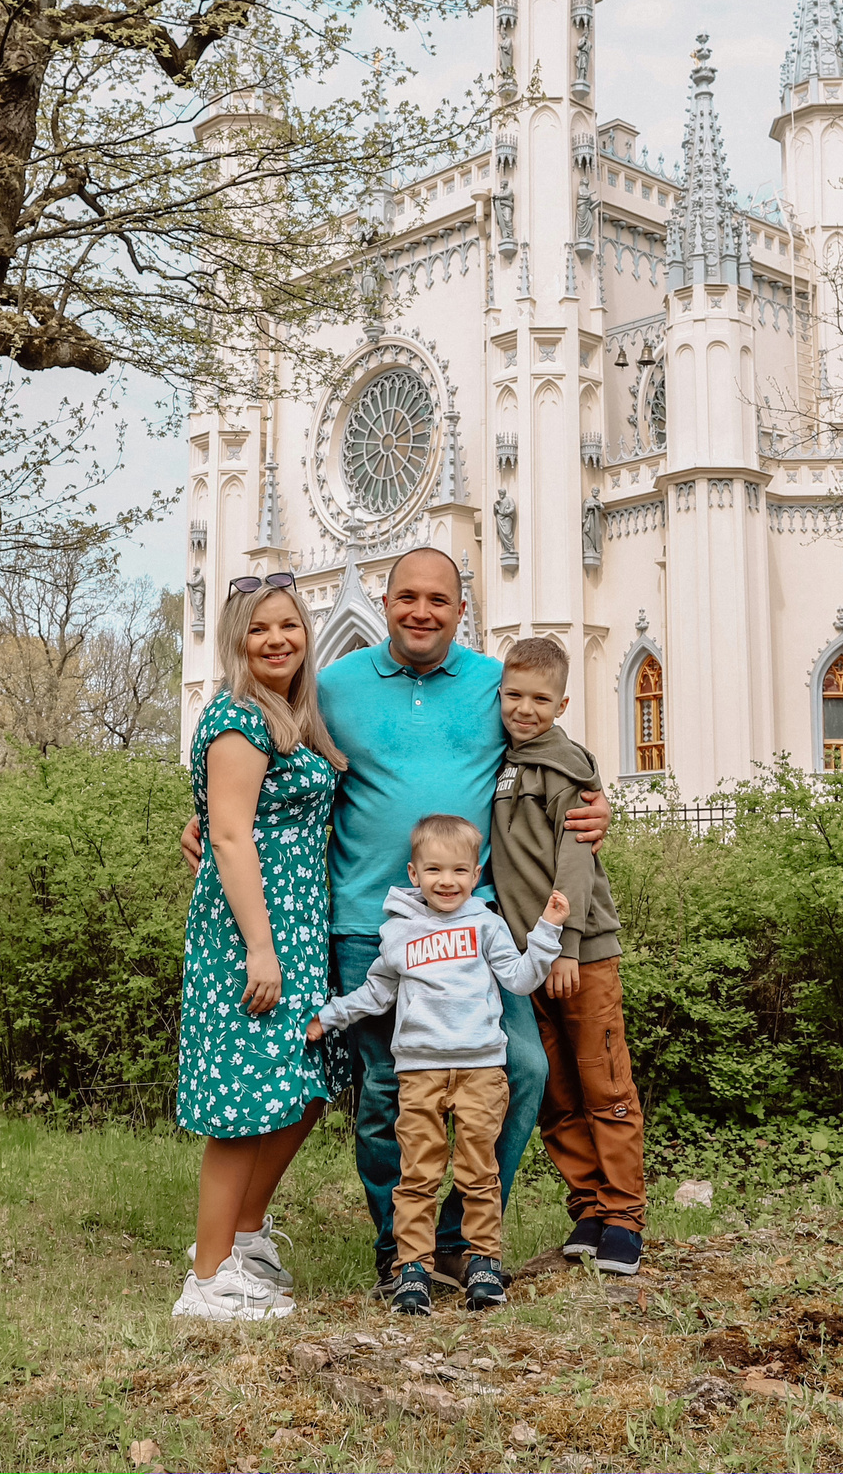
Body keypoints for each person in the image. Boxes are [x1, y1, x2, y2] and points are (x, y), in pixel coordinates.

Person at [182, 547, 609, 1295]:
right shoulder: (330, 684)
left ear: (462, 607)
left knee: (523, 1065)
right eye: (407, 596)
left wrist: (597, 802)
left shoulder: (490, 684)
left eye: (438, 600)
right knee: (384, 1088)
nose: (421, 610)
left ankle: (462, 1241)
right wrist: (201, 825)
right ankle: (399, 1251)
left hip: (473, 923)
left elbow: (552, 747)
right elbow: (253, 767)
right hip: (361, 921)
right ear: (383, 603)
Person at [171, 573, 347, 1322]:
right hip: (255, 931)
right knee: (244, 1102)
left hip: (298, 926)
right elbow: (233, 834)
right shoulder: (239, 717)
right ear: (237, 642)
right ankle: (207, 1282)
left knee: (302, 1085)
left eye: (289, 626)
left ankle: (242, 1239)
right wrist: (260, 948)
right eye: (259, 629)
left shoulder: (292, 717)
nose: (278, 639)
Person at [310, 815, 565, 1314]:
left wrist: (547, 931)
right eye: (433, 870)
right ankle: (412, 1270)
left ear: (476, 874)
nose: (445, 881)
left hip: (481, 1071)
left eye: (458, 871)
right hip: (420, 1073)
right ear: (413, 874)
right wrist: (330, 1016)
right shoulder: (399, 934)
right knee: (418, 1173)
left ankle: (483, 1262)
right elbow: (376, 992)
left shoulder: (486, 924)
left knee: (479, 1172)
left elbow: (519, 979)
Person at [488, 635, 646, 1276]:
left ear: (563, 702)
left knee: (604, 1084)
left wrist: (567, 948)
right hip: (524, 959)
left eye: (539, 699)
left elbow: (575, 863)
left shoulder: (569, 767)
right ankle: (587, 1205)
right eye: (514, 696)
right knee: (555, 1091)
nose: (524, 709)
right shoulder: (501, 761)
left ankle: (624, 1216)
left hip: (576, 957)